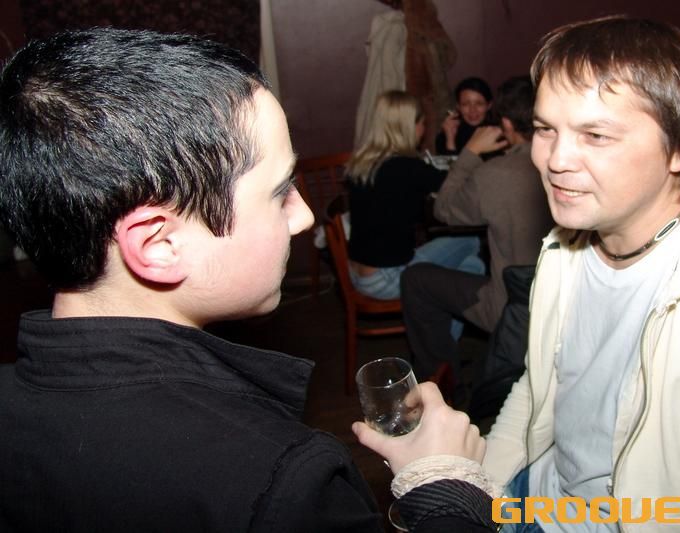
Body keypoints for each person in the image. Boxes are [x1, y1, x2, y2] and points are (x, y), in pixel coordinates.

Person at [0, 28, 500, 532]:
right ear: (158, 245)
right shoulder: (281, 483)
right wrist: (444, 486)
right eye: (280, 192)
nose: (304, 217)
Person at [483, 16, 680, 531]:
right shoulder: (567, 247)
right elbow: (541, 385)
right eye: (545, 129)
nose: (555, 160)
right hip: (537, 498)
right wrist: (483, 488)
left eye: (596, 135)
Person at [401, 76, 552, 390]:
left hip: (514, 307)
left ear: (506, 122)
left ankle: (442, 386)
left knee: (415, 279)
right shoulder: (570, 160)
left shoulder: (496, 173)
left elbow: (444, 209)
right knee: (474, 259)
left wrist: (469, 152)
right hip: (560, 300)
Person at [347, 89, 484, 301]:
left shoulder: (362, 162)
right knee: (471, 241)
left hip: (358, 273)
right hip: (387, 278)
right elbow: (455, 184)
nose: (423, 129)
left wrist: (449, 141)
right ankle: (440, 317)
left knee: (472, 266)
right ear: (409, 126)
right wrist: (472, 150)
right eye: (422, 123)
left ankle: (437, 319)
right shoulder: (406, 167)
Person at [435, 76, 493, 156]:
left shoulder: (499, 134)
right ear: (458, 106)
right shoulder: (445, 136)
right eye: (465, 104)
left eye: (479, 104)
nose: (472, 110)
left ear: (489, 105)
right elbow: (450, 164)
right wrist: (450, 139)